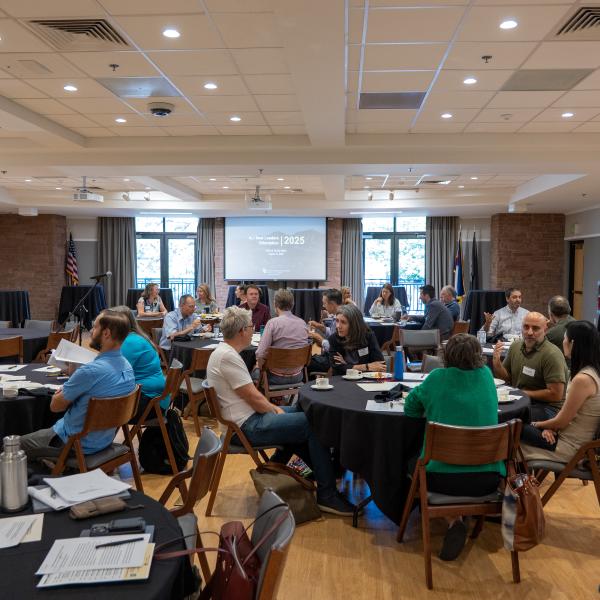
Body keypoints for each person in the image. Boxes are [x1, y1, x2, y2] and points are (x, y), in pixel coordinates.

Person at [207, 306, 356, 516]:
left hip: (244, 420)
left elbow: (254, 398)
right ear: (241, 331)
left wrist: (275, 409)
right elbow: (255, 398)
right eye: (250, 327)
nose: (252, 330)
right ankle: (327, 494)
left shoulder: (224, 353)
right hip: (245, 428)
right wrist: (275, 410)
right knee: (312, 424)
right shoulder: (227, 357)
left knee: (301, 409)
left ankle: (293, 465)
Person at [404, 333, 505, 561]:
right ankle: (461, 517)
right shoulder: (487, 376)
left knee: (410, 460)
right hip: (488, 478)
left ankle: (454, 520)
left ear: (446, 356)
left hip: (441, 478)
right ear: (479, 355)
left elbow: (410, 408)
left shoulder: (437, 377)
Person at [20, 310, 136, 460]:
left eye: (95, 328)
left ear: (106, 333)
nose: (92, 331)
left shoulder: (90, 371)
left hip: (74, 443)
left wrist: (66, 388)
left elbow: (55, 406)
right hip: (104, 440)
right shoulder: (128, 368)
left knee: (12, 445)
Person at [520, 320, 600, 463]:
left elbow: (562, 421)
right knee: (516, 428)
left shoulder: (583, 379)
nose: (563, 342)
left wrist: (537, 425)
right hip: (566, 437)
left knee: (514, 430)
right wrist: (551, 428)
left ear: (573, 344)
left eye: (565, 338)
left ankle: (517, 483)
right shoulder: (590, 372)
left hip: (570, 448)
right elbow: (565, 418)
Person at [493, 311, 568, 421]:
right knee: (490, 411)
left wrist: (522, 393)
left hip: (547, 408)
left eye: (536, 328)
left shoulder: (552, 354)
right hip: (519, 401)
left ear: (545, 330)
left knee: (508, 419)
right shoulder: (516, 346)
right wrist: (497, 365)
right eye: (526, 327)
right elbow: (506, 378)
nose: (529, 332)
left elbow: (555, 395)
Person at [111, 305, 167, 419]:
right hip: (157, 398)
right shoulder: (137, 337)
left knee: (96, 409)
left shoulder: (130, 342)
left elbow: (113, 373)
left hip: (150, 402)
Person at [256, 289, 310, 385]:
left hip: (275, 377)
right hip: (298, 376)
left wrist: (258, 366)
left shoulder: (272, 323)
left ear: (275, 304)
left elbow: (260, 354)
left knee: (254, 371)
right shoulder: (302, 323)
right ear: (292, 304)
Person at [327, 304, 385, 376]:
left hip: (366, 380)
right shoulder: (334, 339)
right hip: (343, 380)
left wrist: (347, 365)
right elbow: (337, 369)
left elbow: (381, 365)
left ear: (354, 324)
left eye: (343, 322)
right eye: (337, 321)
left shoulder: (367, 336)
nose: (338, 326)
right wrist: (367, 367)